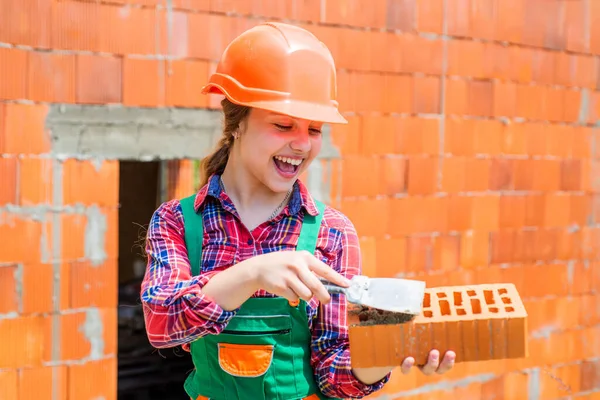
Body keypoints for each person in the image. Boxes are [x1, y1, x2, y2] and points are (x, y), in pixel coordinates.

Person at [140, 22, 456, 400]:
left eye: (316, 129)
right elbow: (161, 323)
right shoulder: (178, 222)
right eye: (283, 125)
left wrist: (388, 349)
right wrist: (256, 272)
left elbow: (334, 377)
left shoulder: (331, 231)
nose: (302, 144)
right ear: (237, 124)